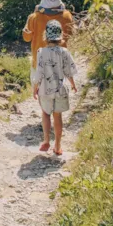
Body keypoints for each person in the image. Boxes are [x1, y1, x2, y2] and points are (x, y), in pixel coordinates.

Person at [33, 20, 77, 155]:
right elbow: (69, 71)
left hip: (45, 90)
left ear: (46, 35)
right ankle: (57, 146)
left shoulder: (41, 52)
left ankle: (46, 140)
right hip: (60, 89)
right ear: (60, 35)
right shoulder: (64, 52)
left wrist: (35, 87)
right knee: (58, 117)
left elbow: (39, 72)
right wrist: (73, 84)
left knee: (46, 113)